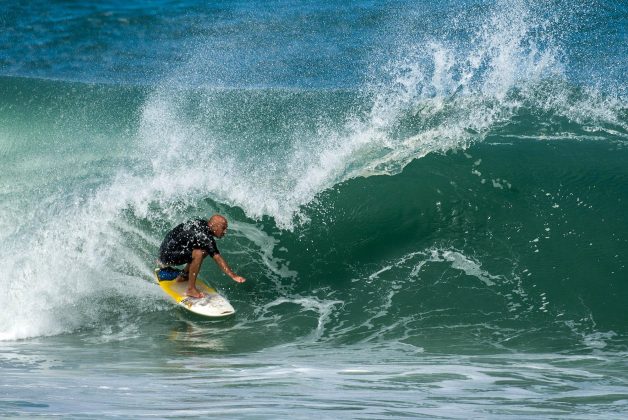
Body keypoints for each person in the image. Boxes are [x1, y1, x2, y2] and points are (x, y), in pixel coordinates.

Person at [158, 214, 245, 298]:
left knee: (204, 250)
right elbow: (217, 258)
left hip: (165, 248)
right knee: (198, 253)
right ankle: (191, 289)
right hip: (167, 255)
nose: (225, 231)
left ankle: (183, 276)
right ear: (213, 226)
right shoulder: (205, 237)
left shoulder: (201, 224)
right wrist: (233, 275)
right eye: (223, 228)